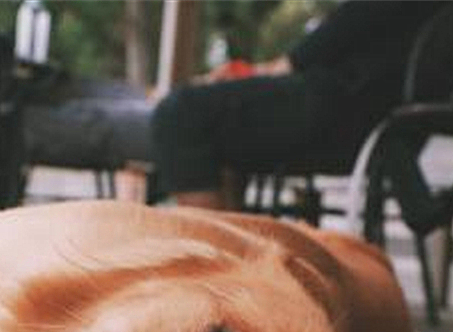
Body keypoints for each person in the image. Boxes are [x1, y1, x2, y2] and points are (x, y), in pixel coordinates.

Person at [150, 0, 450, 211]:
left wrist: (284, 65)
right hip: (381, 120)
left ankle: (217, 275)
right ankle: (234, 261)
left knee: (181, 114)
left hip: (348, 108)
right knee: (204, 118)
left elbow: (356, 19)